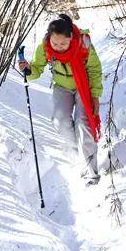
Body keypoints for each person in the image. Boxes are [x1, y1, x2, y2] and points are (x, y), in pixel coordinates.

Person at [19, 13, 103, 183]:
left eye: (63, 43)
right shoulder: (45, 47)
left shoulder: (83, 44)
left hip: (83, 87)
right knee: (60, 122)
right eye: (55, 43)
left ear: (71, 37)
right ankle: (78, 156)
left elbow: (94, 70)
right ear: (49, 38)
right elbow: (37, 69)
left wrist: (95, 96)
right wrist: (28, 70)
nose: (58, 47)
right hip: (61, 86)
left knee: (83, 123)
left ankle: (91, 171)